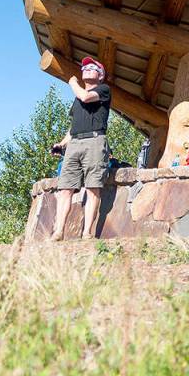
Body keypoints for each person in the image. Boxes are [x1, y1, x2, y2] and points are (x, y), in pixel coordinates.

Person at [51, 56, 112, 241]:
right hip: (75, 143)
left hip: (94, 141)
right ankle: (58, 232)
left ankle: (87, 234)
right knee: (65, 188)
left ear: (100, 76)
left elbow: (85, 96)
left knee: (93, 187)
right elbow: (74, 126)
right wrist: (62, 143)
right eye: (84, 67)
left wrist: (72, 82)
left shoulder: (103, 90)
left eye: (92, 67)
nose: (86, 69)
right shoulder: (77, 99)